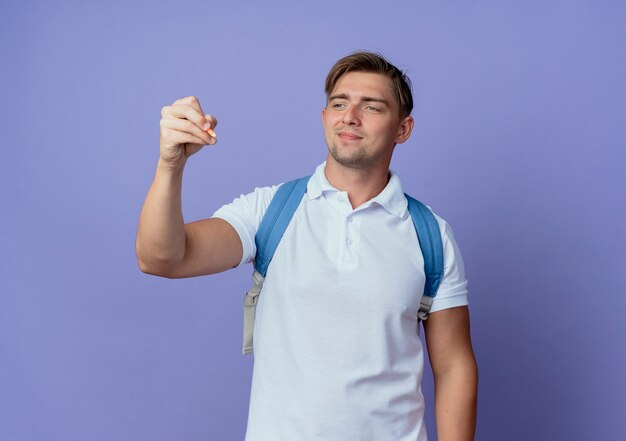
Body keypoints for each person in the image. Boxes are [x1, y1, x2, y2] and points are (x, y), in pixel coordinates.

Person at [136, 51, 478, 441]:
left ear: (403, 129)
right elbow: (159, 258)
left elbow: (453, 367)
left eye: (372, 106)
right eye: (339, 103)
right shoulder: (270, 210)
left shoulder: (431, 235)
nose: (350, 116)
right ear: (324, 117)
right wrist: (170, 165)